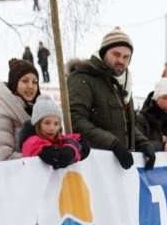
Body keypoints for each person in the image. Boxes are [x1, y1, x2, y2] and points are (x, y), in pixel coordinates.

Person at [67, 28, 156, 170]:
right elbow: (74, 121)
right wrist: (112, 143)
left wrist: (143, 143)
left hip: (118, 172)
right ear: (104, 53)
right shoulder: (83, 78)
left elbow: (124, 124)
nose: (121, 60)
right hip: (91, 168)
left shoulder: (124, 84)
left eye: (126, 57)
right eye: (116, 54)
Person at [0, 57, 39, 161]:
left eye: (34, 82)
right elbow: (4, 157)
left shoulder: (40, 110)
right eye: (25, 81)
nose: (31, 86)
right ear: (14, 83)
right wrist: (42, 158)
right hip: (15, 175)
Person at [19, 94, 89, 168]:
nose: (52, 128)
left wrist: (72, 149)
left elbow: (83, 141)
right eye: (47, 123)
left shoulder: (58, 139)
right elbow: (61, 159)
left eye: (56, 124)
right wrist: (74, 147)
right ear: (38, 124)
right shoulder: (32, 143)